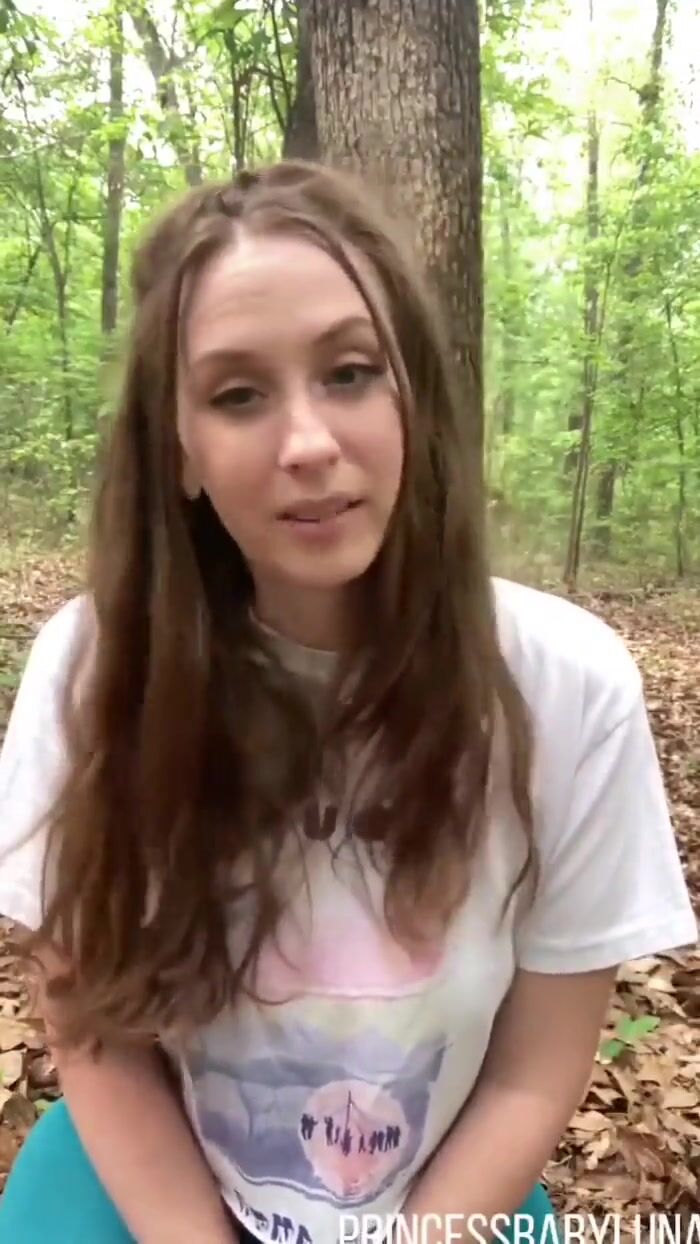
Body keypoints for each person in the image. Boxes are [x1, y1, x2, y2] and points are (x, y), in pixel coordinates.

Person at [0, 159, 695, 1244]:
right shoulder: (94, 671)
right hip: (151, 1174)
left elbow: (533, 1069)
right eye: (237, 394)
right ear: (180, 450)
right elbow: (93, 1029)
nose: (309, 444)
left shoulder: (566, 686)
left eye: (351, 372)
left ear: (412, 395)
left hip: (448, 1197)